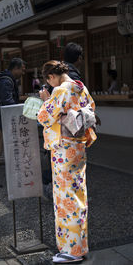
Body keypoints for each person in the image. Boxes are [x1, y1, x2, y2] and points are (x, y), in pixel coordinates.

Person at [37, 60, 97, 263]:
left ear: (51, 77)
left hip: (64, 148)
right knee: (78, 193)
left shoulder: (61, 90)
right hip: (78, 146)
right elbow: (91, 108)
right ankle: (79, 245)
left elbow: (44, 117)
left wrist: (46, 99)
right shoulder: (81, 87)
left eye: (49, 81)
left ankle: (71, 251)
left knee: (65, 197)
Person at [0, 58, 26, 188]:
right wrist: (22, 107)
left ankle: (2, 177)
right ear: (15, 68)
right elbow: (7, 101)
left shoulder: (6, 79)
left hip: (0, 118)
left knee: (1, 149)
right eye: (22, 69)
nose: (23, 72)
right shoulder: (6, 81)